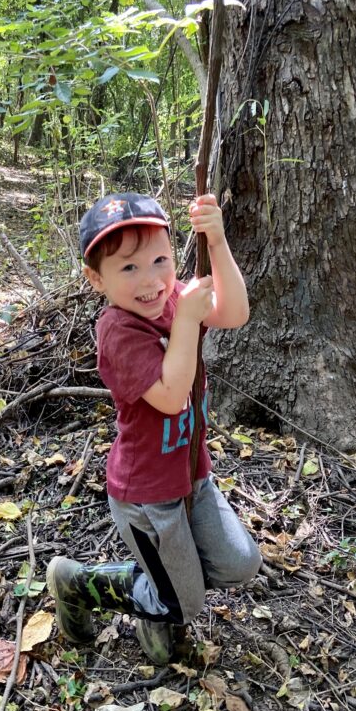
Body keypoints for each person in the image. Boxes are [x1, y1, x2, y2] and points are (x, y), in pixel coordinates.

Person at [47, 192, 262, 664]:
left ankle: (164, 586)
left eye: (160, 260)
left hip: (191, 476)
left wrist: (218, 241)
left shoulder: (172, 301)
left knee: (240, 562)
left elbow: (234, 312)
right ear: (95, 278)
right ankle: (79, 583)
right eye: (128, 268)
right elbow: (169, 397)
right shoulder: (119, 331)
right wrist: (185, 319)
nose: (150, 281)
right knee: (184, 603)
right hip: (147, 498)